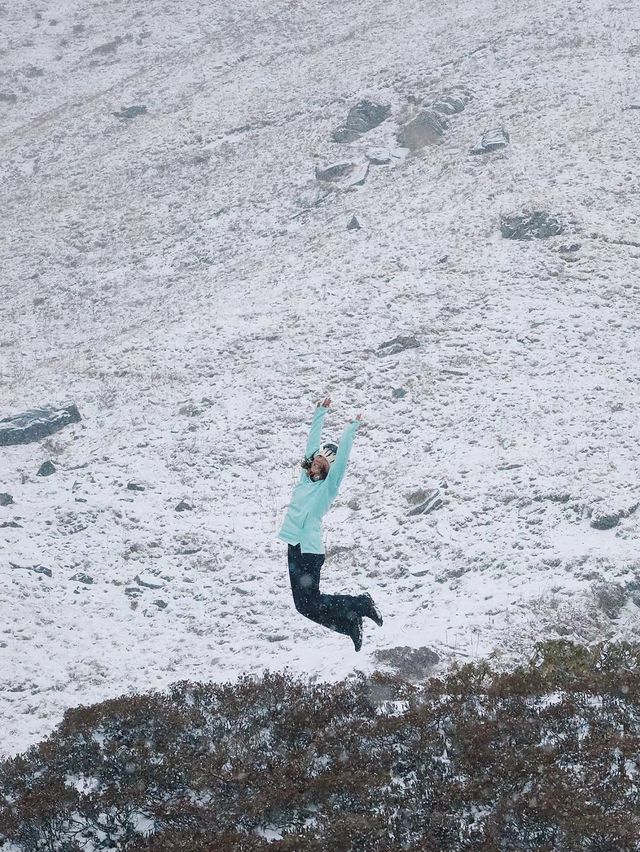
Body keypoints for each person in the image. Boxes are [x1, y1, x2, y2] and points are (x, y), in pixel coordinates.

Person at [278, 396, 383, 651]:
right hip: (294, 546)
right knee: (304, 606)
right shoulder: (304, 481)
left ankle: (360, 603)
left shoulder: (327, 489)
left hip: (310, 551)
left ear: (327, 469)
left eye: (323, 463)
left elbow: (342, 462)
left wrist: (350, 430)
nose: (317, 462)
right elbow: (312, 443)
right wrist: (320, 412)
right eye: (316, 459)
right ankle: (350, 624)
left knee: (311, 602)